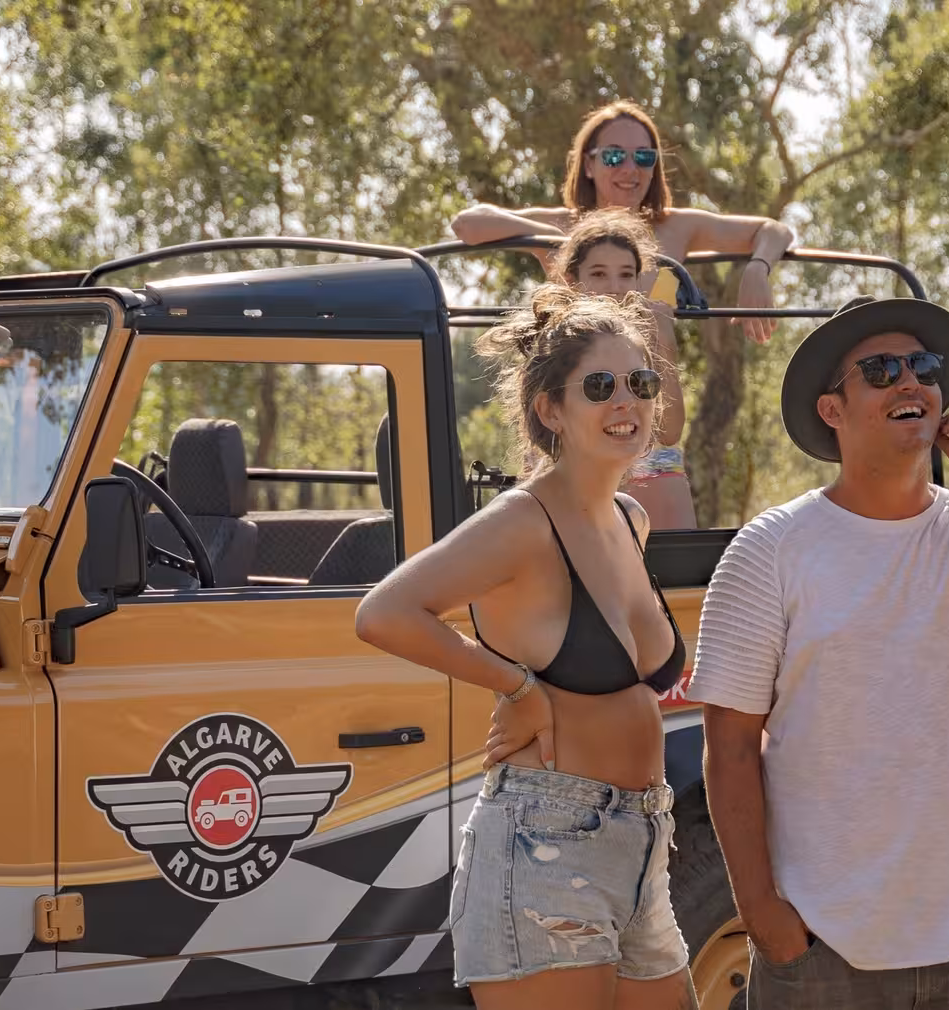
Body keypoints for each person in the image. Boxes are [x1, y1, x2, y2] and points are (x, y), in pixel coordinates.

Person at [685, 296, 949, 1009]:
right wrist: (765, 916)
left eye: (923, 367)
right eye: (880, 369)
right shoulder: (770, 551)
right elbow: (731, 747)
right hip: (833, 943)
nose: (912, 381)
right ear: (832, 410)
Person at [355, 287, 698, 1010]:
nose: (626, 403)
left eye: (641, 383)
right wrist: (516, 687)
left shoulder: (629, 520)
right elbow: (385, 612)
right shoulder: (522, 520)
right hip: (547, 842)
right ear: (551, 410)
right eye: (599, 387)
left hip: (642, 838)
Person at [451, 100, 795, 343]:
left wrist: (757, 269)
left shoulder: (676, 228)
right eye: (614, 156)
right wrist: (563, 240)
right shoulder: (562, 225)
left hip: (649, 409)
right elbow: (467, 224)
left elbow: (776, 230)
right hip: (575, 405)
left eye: (643, 157)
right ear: (589, 165)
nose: (630, 169)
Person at [550, 209, 695, 529]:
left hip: (655, 494)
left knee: (661, 465)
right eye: (599, 274)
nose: (614, 286)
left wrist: (663, 339)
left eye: (626, 274)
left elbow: (669, 433)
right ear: (573, 281)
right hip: (588, 493)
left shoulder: (648, 341)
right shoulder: (556, 346)